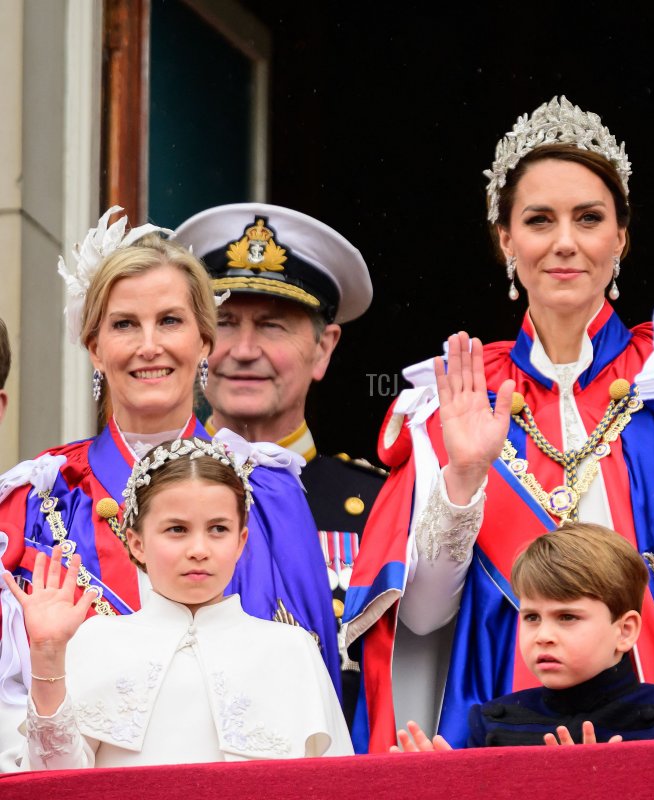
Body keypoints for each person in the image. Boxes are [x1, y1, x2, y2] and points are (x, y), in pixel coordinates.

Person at [347, 97, 654, 751]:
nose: (565, 242)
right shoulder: (457, 397)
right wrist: (463, 477)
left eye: (589, 218)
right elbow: (421, 623)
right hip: (505, 736)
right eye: (539, 220)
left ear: (621, 237)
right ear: (506, 240)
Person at [0, 209, 338, 770]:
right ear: (93, 346)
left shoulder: (270, 493)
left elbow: (314, 693)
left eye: (171, 321)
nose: (149, 346)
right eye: (125, 324)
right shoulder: (34, 501)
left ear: (206, 340)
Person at [10, 437, 351, 768]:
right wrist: (48, 659)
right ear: (137, 543)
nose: (199, 549)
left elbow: (335, 783)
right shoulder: (96, 640)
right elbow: (52, 780)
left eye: (218, 529)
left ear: (240, 541)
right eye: (176, 529)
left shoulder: (291, 649)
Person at [171, 204, 382, 732]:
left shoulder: (379, 506)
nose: (244, 350)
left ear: (322, 349)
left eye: (272, 326)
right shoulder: (146, 491)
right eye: (223, 323)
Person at [393, 523, 654, 750]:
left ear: (624, 631)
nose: (543, 636)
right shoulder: (492, 722)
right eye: (531, 617)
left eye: (567, 617)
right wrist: (449, 788)